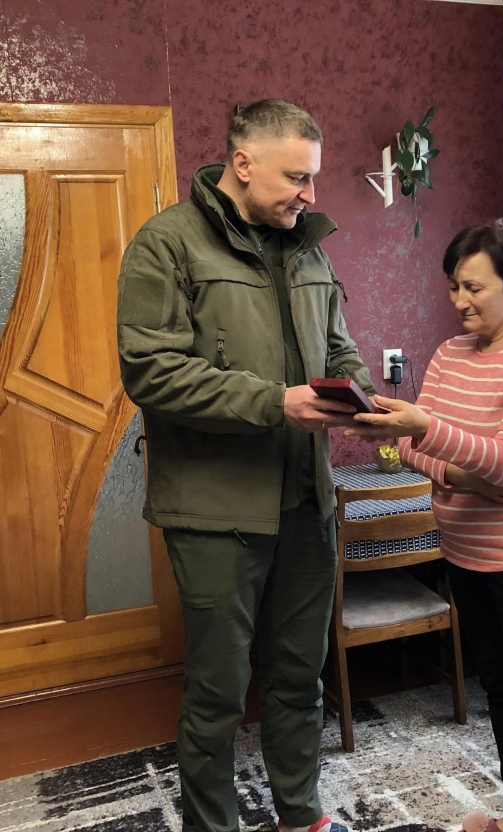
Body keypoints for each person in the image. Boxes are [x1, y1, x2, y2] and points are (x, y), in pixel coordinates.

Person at [117, 99, 375, 832]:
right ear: (242, 163)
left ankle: (303, 816)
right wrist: (275, 402)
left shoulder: (310, 247)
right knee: (218, 692)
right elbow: (151, 371)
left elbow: (339, 346)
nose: (310, 194)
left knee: (299, 676)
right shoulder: (166, 242)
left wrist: (359, 393)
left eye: (313, 177)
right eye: (297, 177)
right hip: (215, 511)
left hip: (308, 504)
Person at [346, 223, 503, 832]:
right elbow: (417, 453)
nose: (459, 301)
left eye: (474, 288)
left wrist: (431, 431)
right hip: (464, 552)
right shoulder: (450, 354)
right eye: (453, 286)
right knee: (501, 692)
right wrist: (473, 479)